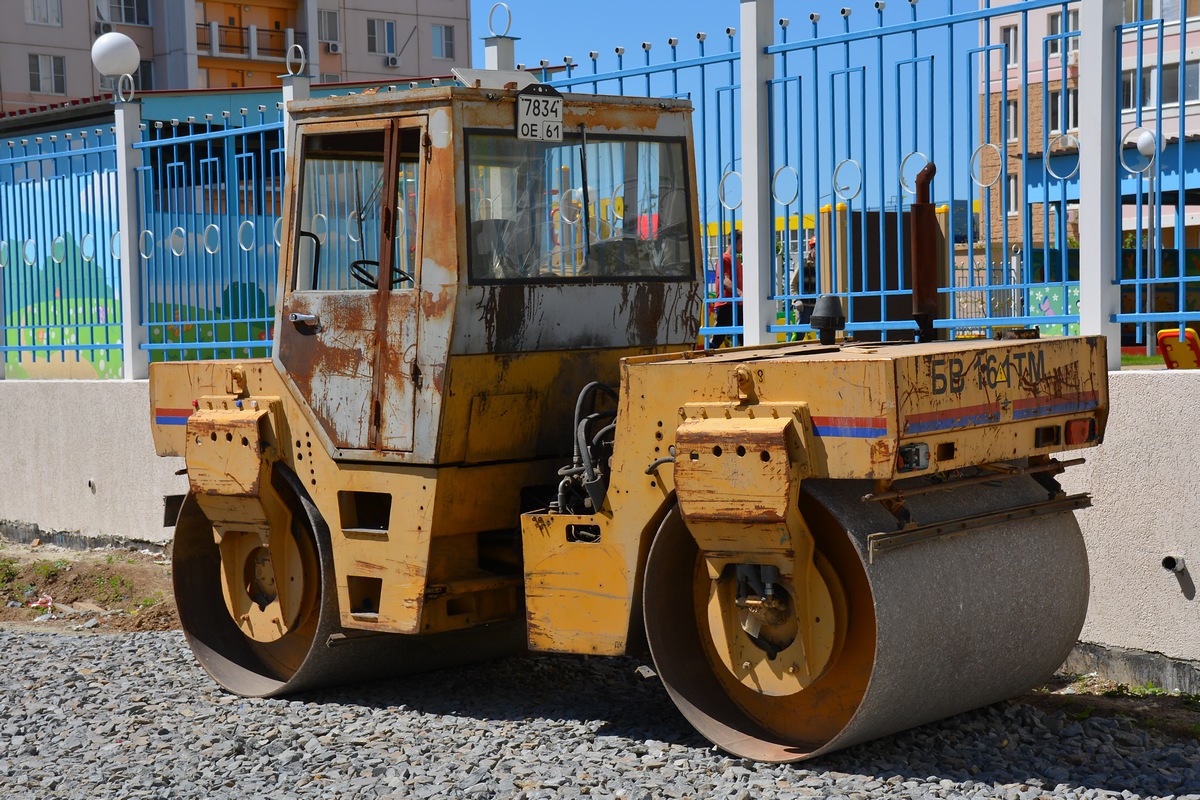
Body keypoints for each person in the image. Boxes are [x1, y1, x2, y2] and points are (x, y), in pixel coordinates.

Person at [709, 230, 742, 348]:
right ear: (736, 241)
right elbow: (724, 280)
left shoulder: (737, 260)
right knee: (718, 338)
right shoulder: (724, 259)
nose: (743, 245)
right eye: (742, 242)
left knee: (743, 336)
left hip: (737, 303)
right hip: (726, 303)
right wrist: (740, 293)